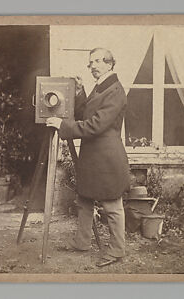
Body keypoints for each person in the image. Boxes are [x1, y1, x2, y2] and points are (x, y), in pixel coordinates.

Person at [46, 48, 130, 267]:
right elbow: (85, 113)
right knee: (84, 200)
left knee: (112, 205)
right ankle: (82, 242)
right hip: (93, 155)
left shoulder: (116, 91)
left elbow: (96, 125)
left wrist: (63, 125)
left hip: (107, 157)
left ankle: (117, 250)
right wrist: (81, 90)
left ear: (110, 64)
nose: (92, 66)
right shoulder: (102, 87)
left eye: (96, 61)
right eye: (90, 62)